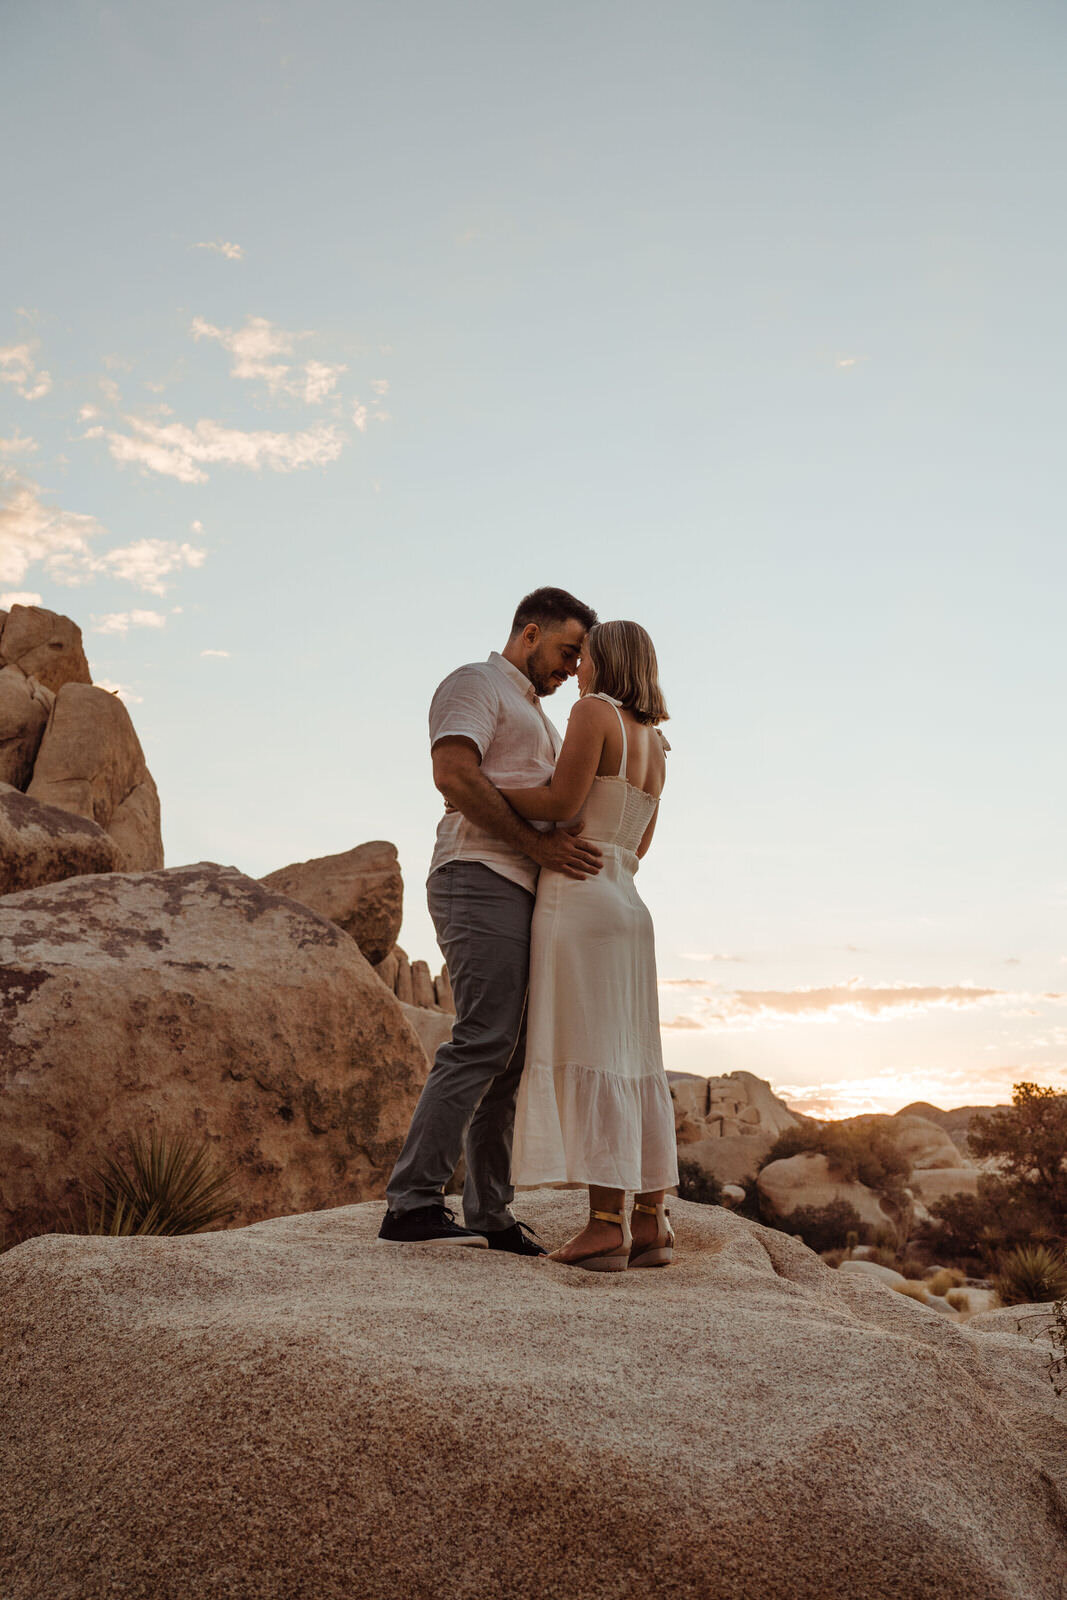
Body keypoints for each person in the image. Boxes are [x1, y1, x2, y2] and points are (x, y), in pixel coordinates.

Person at [378, 586, 602, 1251]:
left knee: (510, 1055)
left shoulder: (542, 716)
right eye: (565, 652)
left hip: (526, 889)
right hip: (478, 875)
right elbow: (452, 773)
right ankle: (412, 1202)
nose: (569, 669)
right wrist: (535, 844)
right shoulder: (475, 683)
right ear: (528, 633)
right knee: (482, 1040)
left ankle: (489, 1211)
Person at [499, 619, 679, 1270]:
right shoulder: (657, 744)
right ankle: (649, 1223)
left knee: (593, 1054)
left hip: (578, 898)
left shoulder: (593, 713)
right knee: (634, 1060)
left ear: (606, 662)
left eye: (586, 659)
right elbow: (641, 845)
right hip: (628, 902)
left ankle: (605, 1228)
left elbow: (559, 799)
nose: (576, 671)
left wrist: (481, 790)